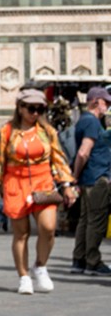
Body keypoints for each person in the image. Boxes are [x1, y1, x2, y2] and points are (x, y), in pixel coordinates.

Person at [0, 88, 77, 294]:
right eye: (31, 109)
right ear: (20, 108)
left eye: (40, 109)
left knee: (48, 228)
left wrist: (67, 185)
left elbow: (58, 158)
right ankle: (24, 277)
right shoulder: (7, 132)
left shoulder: (47, 131)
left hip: (43, 181)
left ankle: (40, 265)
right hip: (15, 183)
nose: (35, 113)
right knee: (21, 233)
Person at [70, 85, 111, 275]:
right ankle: (92, 261)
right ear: (96, 101)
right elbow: (83, 152)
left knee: (85, 220)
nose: (108, 106)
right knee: (96, 221)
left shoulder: (84, 121)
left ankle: (79, 259)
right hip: (96, 178)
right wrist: (75, 176)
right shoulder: (92, 122)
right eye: (106, 102)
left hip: (88, 178)